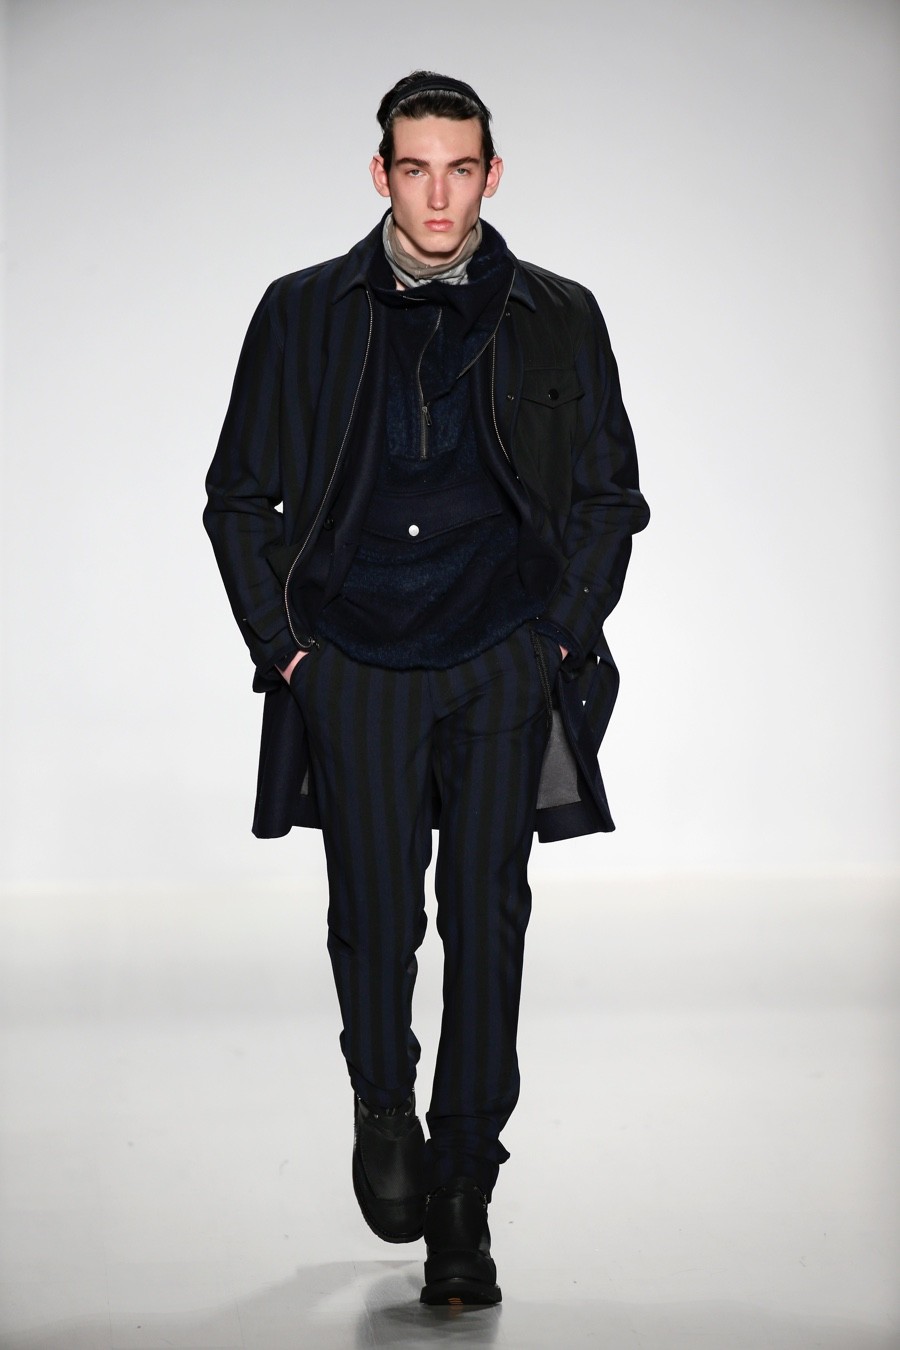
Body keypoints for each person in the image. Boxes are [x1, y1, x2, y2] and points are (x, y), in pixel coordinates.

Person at [204, 70, 649, 1306]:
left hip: (501, 658)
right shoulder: (301, 312)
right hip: (354, 663)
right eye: (416, 169)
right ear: (381, 175)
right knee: (373, 917)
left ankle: (463, 1197)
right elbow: (237, 497)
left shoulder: (559, 314)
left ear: (492, 176)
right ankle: (383, 1101)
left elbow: (610, 495)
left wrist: (558, 640)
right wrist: (289, 650)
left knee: (488, 923)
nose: (440, 196)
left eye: (461, 170)